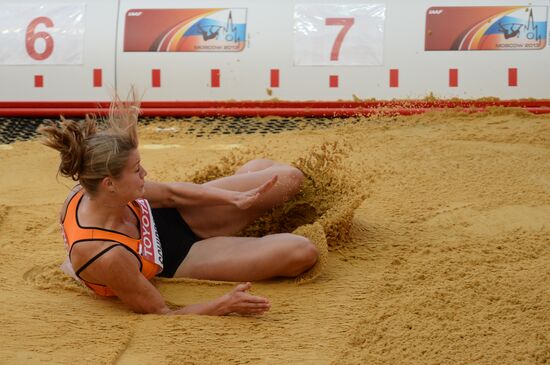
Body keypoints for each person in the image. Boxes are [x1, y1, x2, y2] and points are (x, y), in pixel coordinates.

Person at [39, 99, 319, 316]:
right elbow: (162, 313)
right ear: (109, 184)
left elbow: (172, 194)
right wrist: (224, 304)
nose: (145, 173)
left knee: (289, 179)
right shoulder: (105, 256)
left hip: (176, 214)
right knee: (302, 252)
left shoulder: (100, 185)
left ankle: (245, 208)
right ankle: (246, 226)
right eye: (137, 169)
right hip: (181, 258)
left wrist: (232, 199)